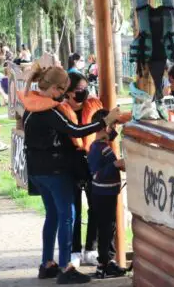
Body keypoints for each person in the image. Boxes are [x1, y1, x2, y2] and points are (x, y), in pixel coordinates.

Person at [20, 64, 121, 284]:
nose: (64, 96)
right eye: (63, 91)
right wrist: (104, 122)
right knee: (68, 216)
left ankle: (47, 263)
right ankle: (66, 267)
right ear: (55, 88)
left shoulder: (30, 107)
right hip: (55, 171)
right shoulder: (49, 111)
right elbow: (75, 130)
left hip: (36, 171)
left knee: (52, 215)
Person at [64, 72, 103, 267]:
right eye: (80, 90)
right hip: (69, 165)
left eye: (86, 89)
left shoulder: (94, 109)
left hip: (92, 163)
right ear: (68, 92)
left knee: (95, 206)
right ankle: (74, 250)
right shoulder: (60, 112)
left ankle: (91, 249)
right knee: (74, 210)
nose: (84, 93)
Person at [87, 109, 128, 279]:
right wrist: (115, 165)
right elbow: (96, 174)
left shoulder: (104, 147)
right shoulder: (97, 148)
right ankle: (103, 264)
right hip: (102, 195)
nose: (115, 129)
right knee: (105, 229)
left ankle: (107, 262)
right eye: (113, 125)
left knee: (109, 228)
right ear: (103, 127)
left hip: (108, 193)